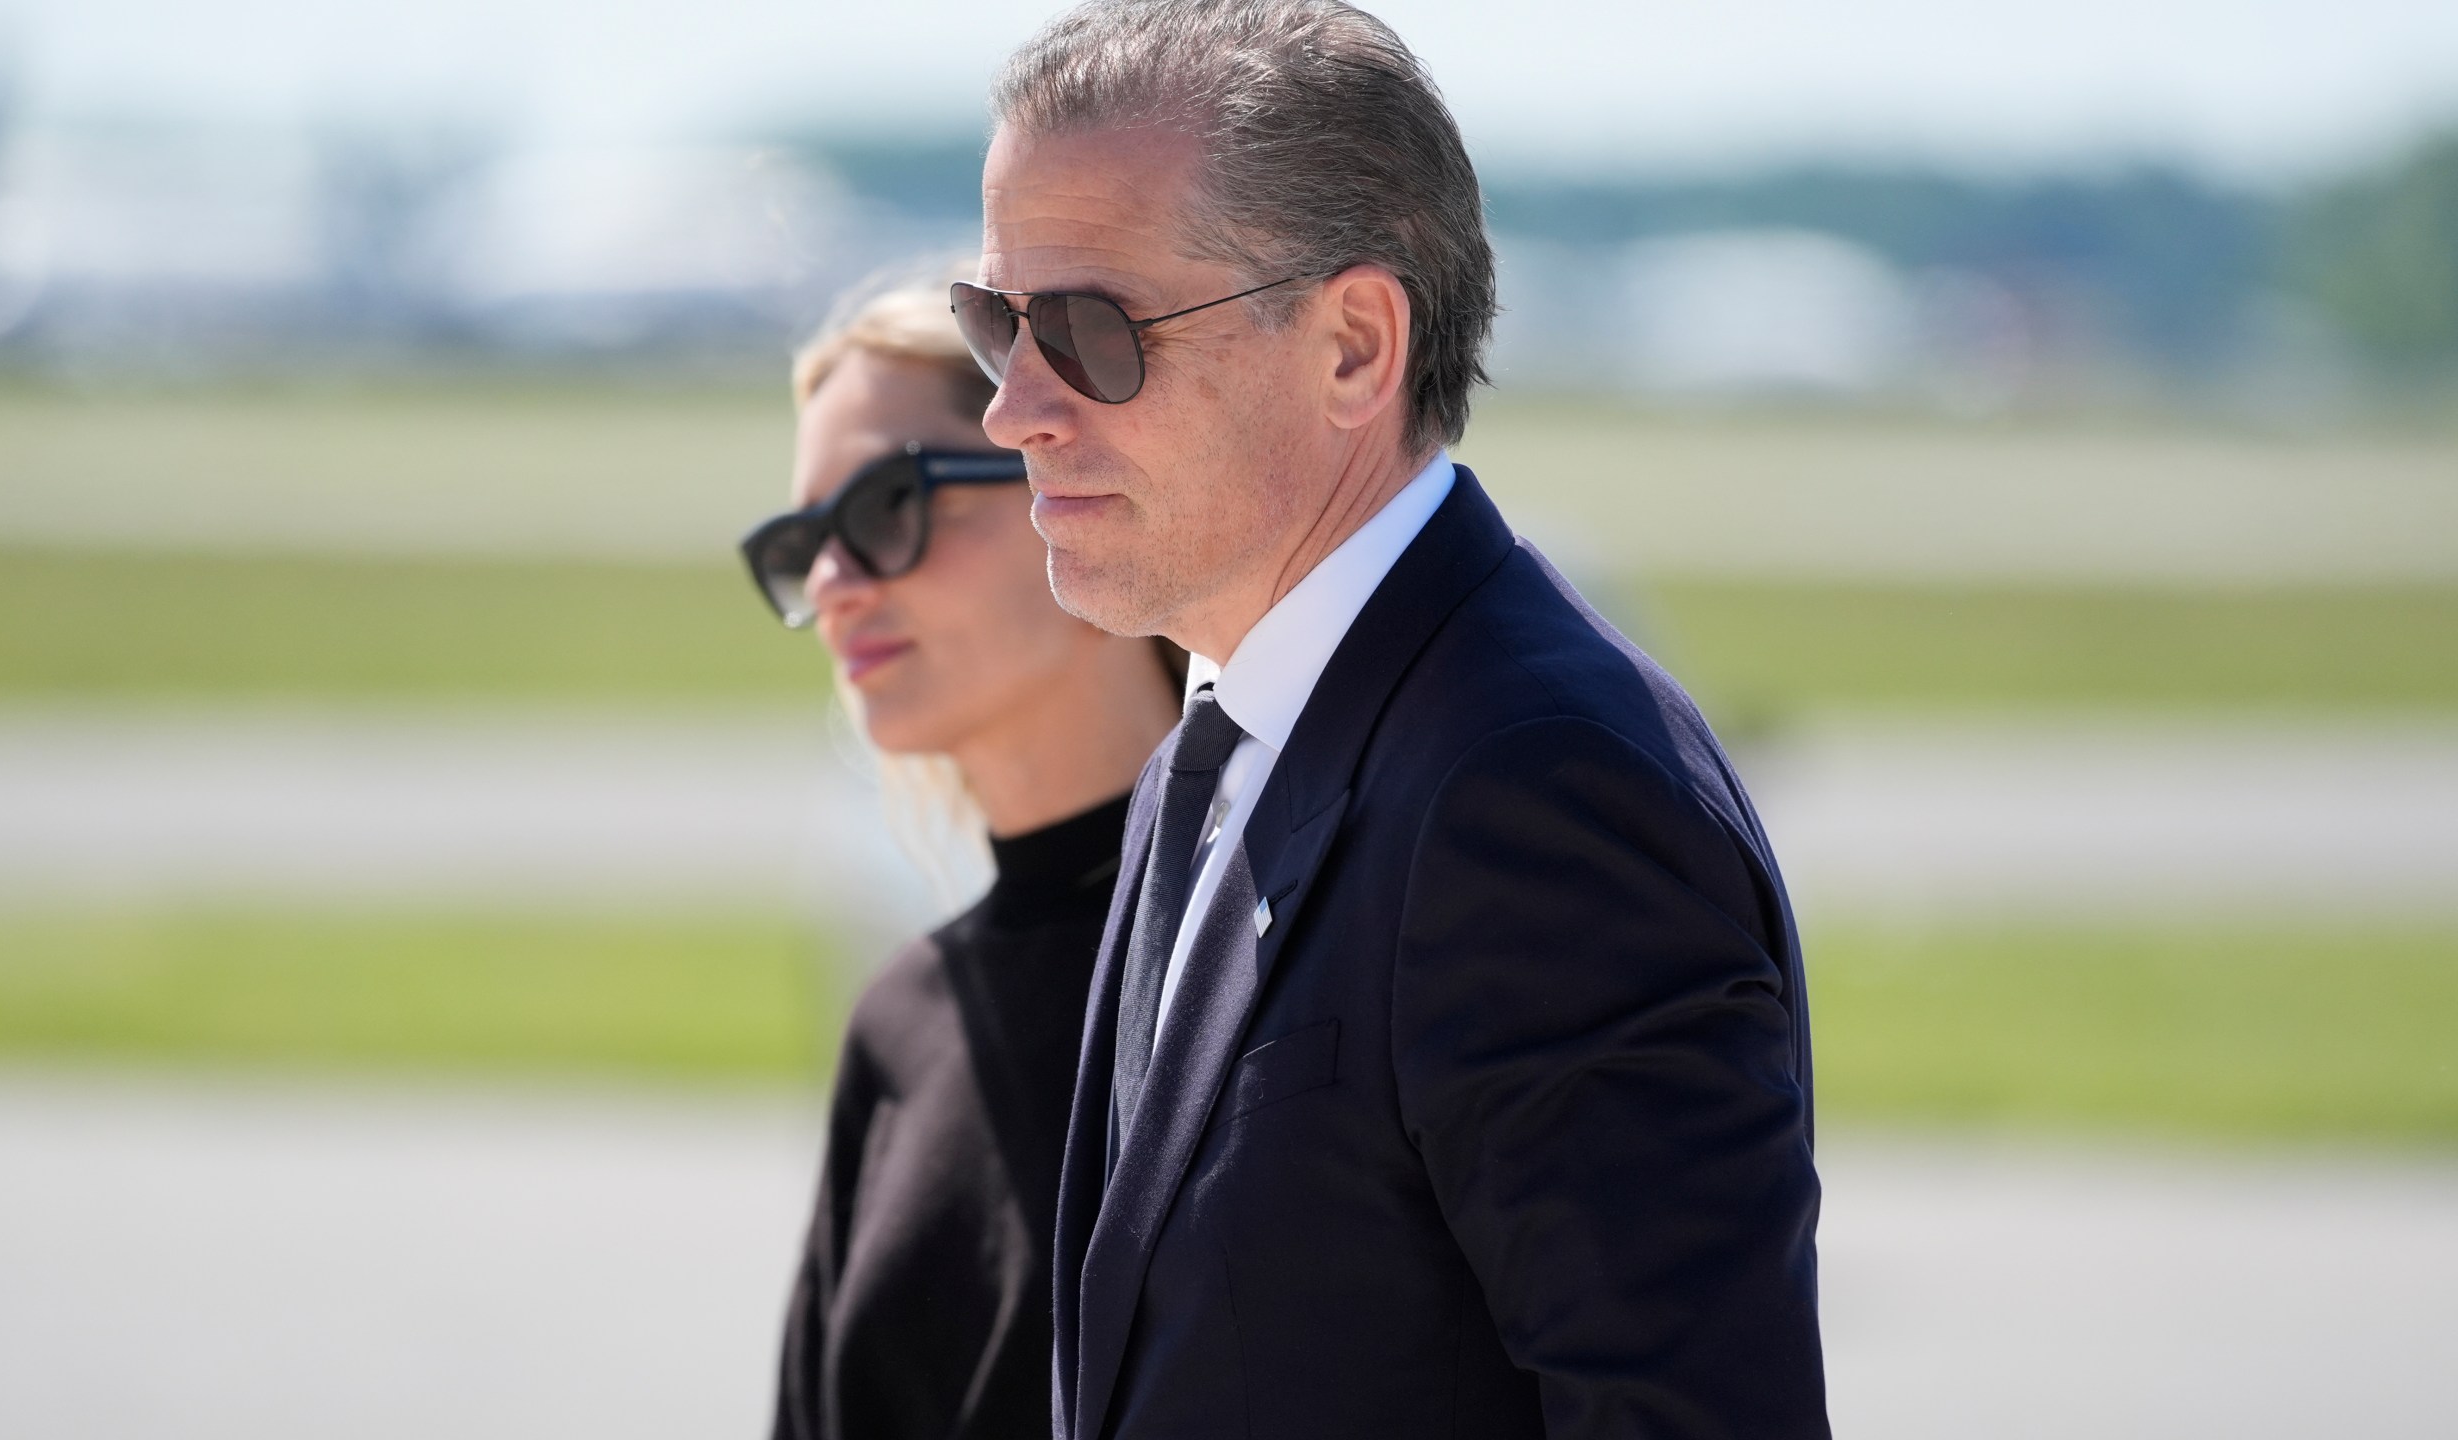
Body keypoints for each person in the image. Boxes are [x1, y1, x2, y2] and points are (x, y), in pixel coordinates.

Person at [953, 4, 1829, 1436]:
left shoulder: (1535, 797)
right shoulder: (1219, 740)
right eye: (996, 324)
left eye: (1088, 331)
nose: (1014, 410)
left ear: (1355, 346)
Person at [751, 276, 1184, 1440]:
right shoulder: (901, 1023)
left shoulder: (1274, 954)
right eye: (801, 544)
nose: (835, 585)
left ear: (1072, 481)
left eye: (890, 502)